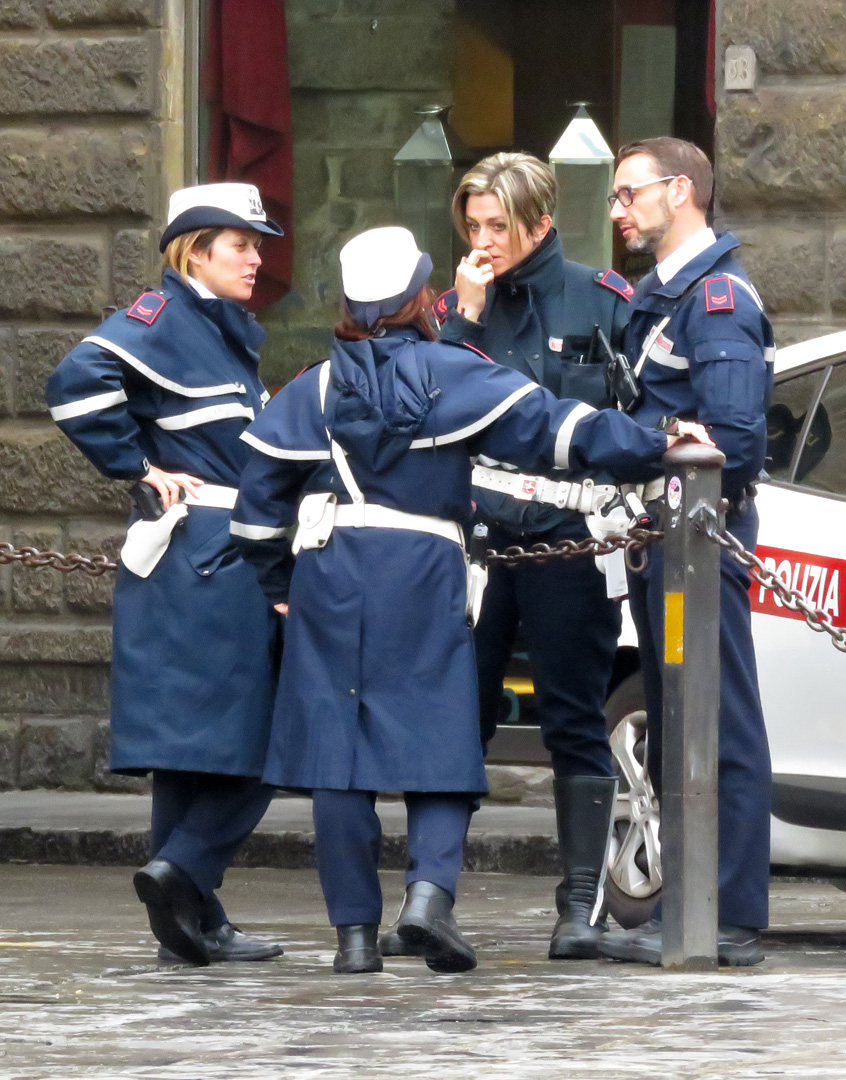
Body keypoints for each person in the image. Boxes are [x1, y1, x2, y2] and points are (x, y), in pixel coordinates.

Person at [229, 225, 709, 976]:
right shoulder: (456, 372)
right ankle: (426, 897)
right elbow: (565, 431)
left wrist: (279, 587)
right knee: (440, 738)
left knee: (336, 759)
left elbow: (257, 511)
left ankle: (355, 940)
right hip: (421, 568)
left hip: (328, 570)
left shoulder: (312, 387)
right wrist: (661, 442)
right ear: (422, 295)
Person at [391, 152, 638, 962]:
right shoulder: (453, 308)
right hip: (477, 547)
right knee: (452, 717)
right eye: (473, 225)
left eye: (499, 225)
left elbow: (632, 416)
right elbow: (420, 405)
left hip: (571, 539)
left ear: (541, 222)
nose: (484, 240)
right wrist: (461, 318)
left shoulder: (601, 298)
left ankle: (579, 909)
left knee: (573, 717)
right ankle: (430, 897)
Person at [45, 183, 285, 967]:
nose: (256, 257)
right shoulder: (166, 318)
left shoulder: (212, 327)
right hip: (209, 547)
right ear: (194, 250)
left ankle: (190, 924)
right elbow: (75, 384)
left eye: (257, 243)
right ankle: (185, 871)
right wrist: (138, 467)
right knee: (266, 735)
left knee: (193, 748)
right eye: (240, 244)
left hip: (202, 549)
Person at [600, 137, 774, 967]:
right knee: (676, 723)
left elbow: (731, 442)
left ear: (682, 191)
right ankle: (693, 904)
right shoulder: (658, 298)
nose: (618, 210)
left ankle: (731, 913)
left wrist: (652, 438)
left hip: (701, 543)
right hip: (660, 539)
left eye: (630, 193)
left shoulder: (717, 301)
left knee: (718, 722)